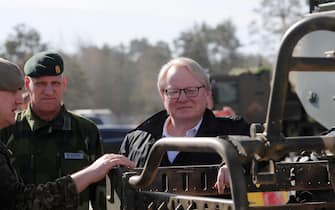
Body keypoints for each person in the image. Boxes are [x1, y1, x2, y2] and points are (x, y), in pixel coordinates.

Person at [0, 57, 135, 210]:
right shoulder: (7, 128)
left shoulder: (86, 131)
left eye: (55, 83)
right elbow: (22, 201)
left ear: (64, 84)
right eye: (41, 84)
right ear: (27, 84)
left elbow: (101, 198)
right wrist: (89, 173)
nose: (49, 91)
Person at [120, 57, 250, 183]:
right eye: (173, 91)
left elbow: (261, 159)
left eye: (191, 90)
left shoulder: (236, 132)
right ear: (163, 95)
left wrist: (234, 163)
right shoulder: (135, 141)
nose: (182, 98)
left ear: (207, 93)